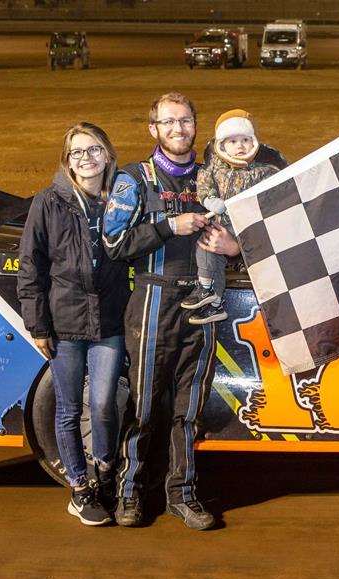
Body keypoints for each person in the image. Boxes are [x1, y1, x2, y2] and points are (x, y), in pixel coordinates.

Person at [103, 92, 240, 530]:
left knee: (189, 411)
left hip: (203, 306)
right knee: (143, 408)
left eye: (185, 121)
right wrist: (167, 227)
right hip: (152, 302)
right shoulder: (133, 179)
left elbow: (250, 238)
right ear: (153, 129)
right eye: (168, 122)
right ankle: (129, 494)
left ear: (196, 125)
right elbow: (113, 244)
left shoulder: (214, 178)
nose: (177, 129)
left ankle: (183, 495)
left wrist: (234, 248)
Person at [18, 122, 130, 526]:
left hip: (110, 321)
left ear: (107, 154)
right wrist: (38, 324)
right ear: (67, 160)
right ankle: (80, 489)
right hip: (64, 323)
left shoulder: (122, 198)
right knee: (67, 410)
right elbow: (32, 265)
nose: (87, 158)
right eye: (77, 152)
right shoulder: (48, 201)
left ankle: (104, 474)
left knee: (102, 405)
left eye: (94, 149)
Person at [182, 109, 287, 325]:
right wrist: (210, 200)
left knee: (212, 249)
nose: (239, 146)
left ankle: (208, 291)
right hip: (222, 225)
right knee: (206, 250)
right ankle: (212, 297)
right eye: (232, 141)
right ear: (221, 144)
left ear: (254, 141)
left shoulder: (264, 170)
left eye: (245, 140)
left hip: (249, 230)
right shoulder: (214, 167)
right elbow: (204, 183)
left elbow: (278, 202)